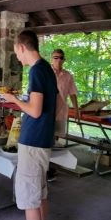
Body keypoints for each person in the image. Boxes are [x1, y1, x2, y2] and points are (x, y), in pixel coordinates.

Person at [3, 30, 57, 220]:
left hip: (33, 140)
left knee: (29, 198)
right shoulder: (47, 69)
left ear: (22, 47)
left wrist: (13, 99)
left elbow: (35, 111)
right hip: (43, 138)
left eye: (16, 52)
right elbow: (57, 105)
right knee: (39, 193)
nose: (17, 56)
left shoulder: (36, 70)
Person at [47, 49, 80, 182]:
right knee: (46, 139)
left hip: (61, 112)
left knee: (55, 141)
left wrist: (76, 109)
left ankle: (52, 167)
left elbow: (72, 93)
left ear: (64, 59)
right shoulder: (46, 72)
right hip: (47, 112)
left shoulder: (68, 75)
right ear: (51, 58)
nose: (58, 60)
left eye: (61, 58)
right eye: (56, 57)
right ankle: (45, 168)